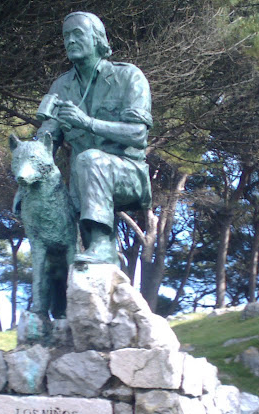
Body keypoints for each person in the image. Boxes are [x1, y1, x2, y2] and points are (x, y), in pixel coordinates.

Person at [36, 12, 152, 265]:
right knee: (73, 174)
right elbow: (46, 140)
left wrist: (87, 123)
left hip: (128, 175)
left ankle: (102, 245)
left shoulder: (128, 76)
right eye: (66, 36)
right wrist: (28, 180)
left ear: (98, 39)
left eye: (78, 34)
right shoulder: (61, 86)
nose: (70, 41)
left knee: (89, 160)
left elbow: (138, 134)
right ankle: (93, 258)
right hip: (83, 181)